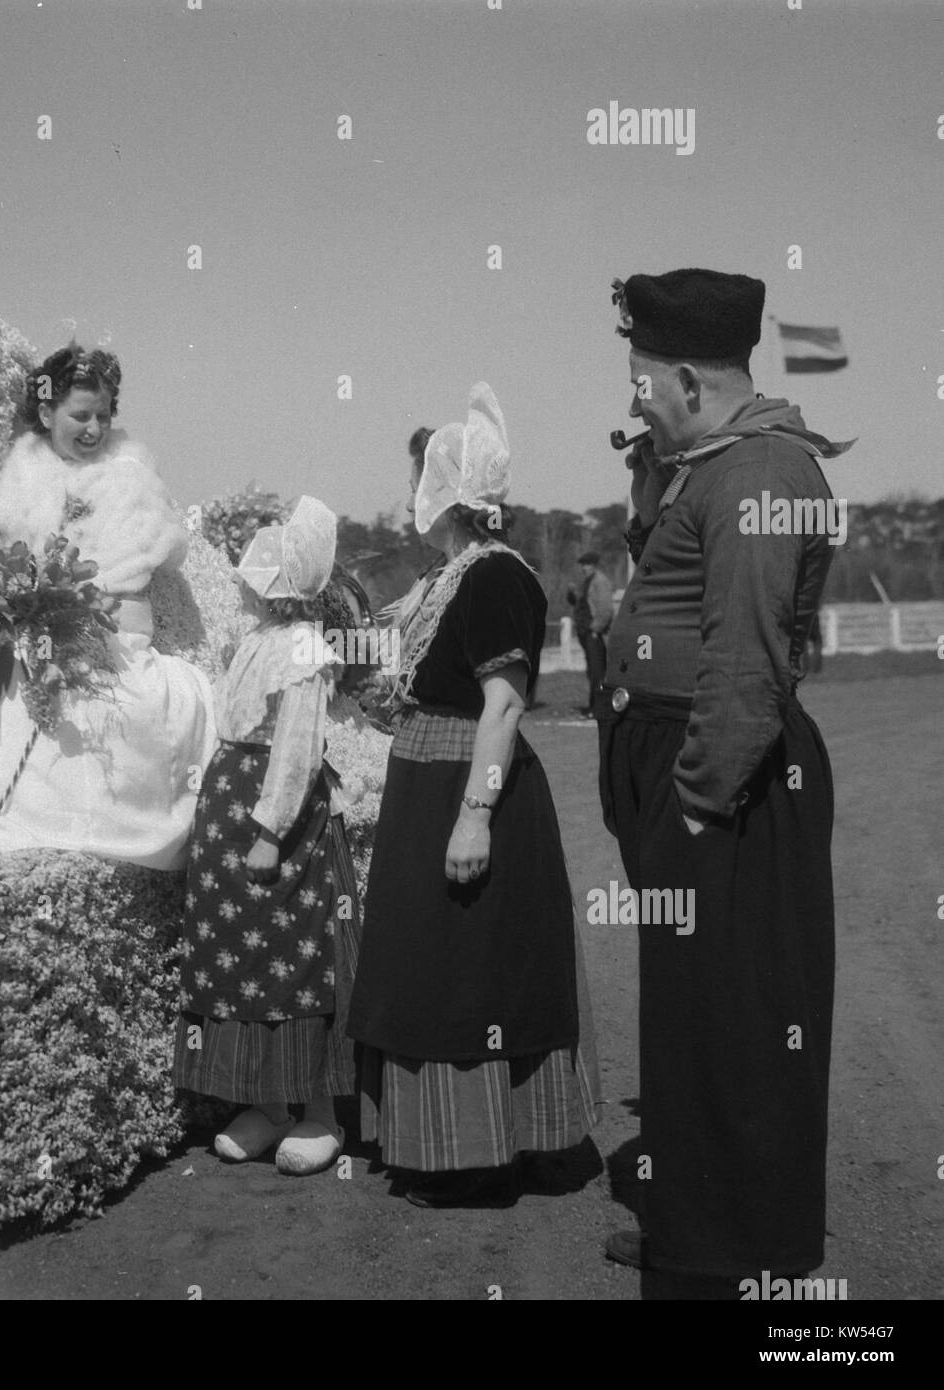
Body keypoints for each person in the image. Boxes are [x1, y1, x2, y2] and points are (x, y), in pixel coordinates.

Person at [597, 269, 853, 1294]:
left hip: (724, 779)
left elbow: (744, 667)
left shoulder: (754, 473)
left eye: (641, 379)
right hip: (688, 763)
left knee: (740, 1026)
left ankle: (737, 1257)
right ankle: (697, 1231)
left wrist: (695, 806)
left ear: (692, 377)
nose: (632, 398)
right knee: (697, 1021)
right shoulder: (704, 459)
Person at [347, 383, 601, 1208]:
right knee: (434, 961)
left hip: (466, 783)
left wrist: (474, 816)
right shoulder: (451, 578)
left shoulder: (494, 579)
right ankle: (458, 1144)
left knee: (469, 969)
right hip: (430, 774)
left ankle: (481, 1152)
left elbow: (502, 704)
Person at [0, 344, 216, 868]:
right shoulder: (28, 473)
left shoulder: (129, 477)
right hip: (52, 636)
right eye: (80, 415)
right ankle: (1, 824)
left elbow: (131, 585)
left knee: (106, 703)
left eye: (103, 415)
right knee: (1, 681)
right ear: (47, 411)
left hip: (115, 644)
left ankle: (94, 831)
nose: (94, 429)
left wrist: (85, 619)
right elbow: (2, 575)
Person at [174, 496, 360, 1176]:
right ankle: (267, 1103)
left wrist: (269, 829)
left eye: (256, 581)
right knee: (241, 960)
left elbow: (298, 750)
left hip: (276, 821)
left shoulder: (303, 651)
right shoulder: (256, 643)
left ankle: (320, 1112)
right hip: (232, 808)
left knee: (296, 958)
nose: (245, 588)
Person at [567, 550, 614, 716]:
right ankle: (594, 706)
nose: (584, 568)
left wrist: (596, 629)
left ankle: (599, 708)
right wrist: (571, 594)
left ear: (593, 565)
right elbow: (578, 604)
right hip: (585, 632)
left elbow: (606, 609)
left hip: (595, 634)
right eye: (583, 565)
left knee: (597, 672)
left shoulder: (600, 582)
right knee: (592, 672)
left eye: (586, 565)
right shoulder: (587, 582)